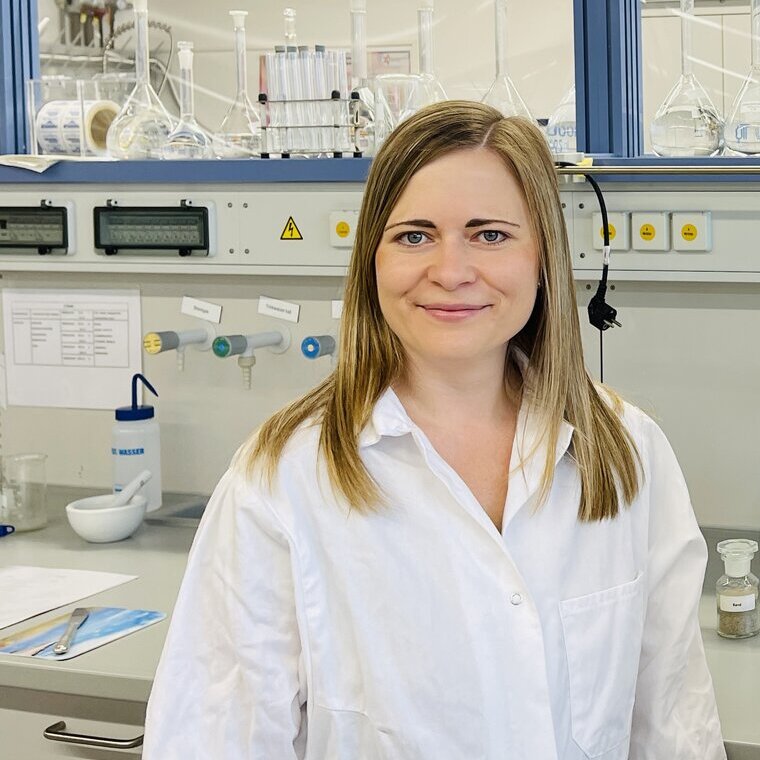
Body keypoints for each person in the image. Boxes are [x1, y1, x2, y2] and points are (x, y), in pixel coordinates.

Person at [143, 101, 726, 760]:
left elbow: (674, 725)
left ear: (543, 257)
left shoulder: (626, 453)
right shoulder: (282, 480)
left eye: (491, 235)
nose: (450, 272)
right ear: (373, 258)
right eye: (414, 236)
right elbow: (213, 741)